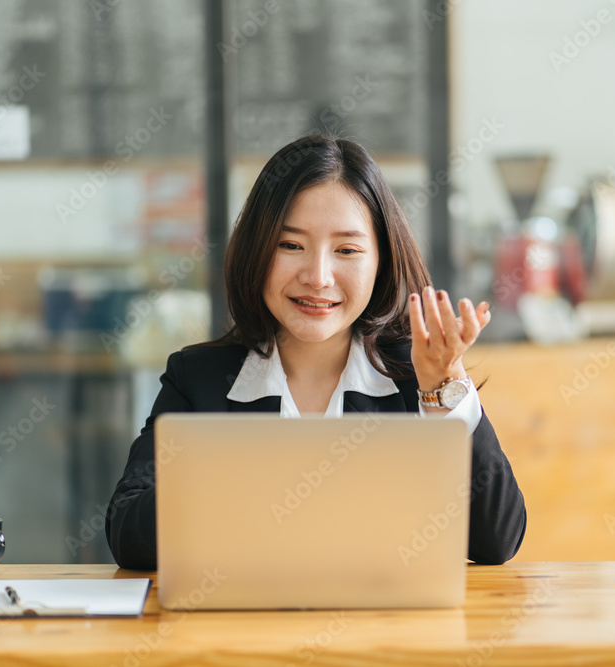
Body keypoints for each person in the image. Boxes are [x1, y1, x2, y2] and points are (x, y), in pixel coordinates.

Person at [105, 135, 526, 569]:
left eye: (346, 250)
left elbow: (496, 540)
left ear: (380, 261)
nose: (318, 276)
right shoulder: (199, 378)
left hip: (386, 633)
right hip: (238, 632)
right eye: (291, 245)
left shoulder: (414, 376)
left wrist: (444, 385)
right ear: (257, 250)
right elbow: (128, 536)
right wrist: (228, 476)